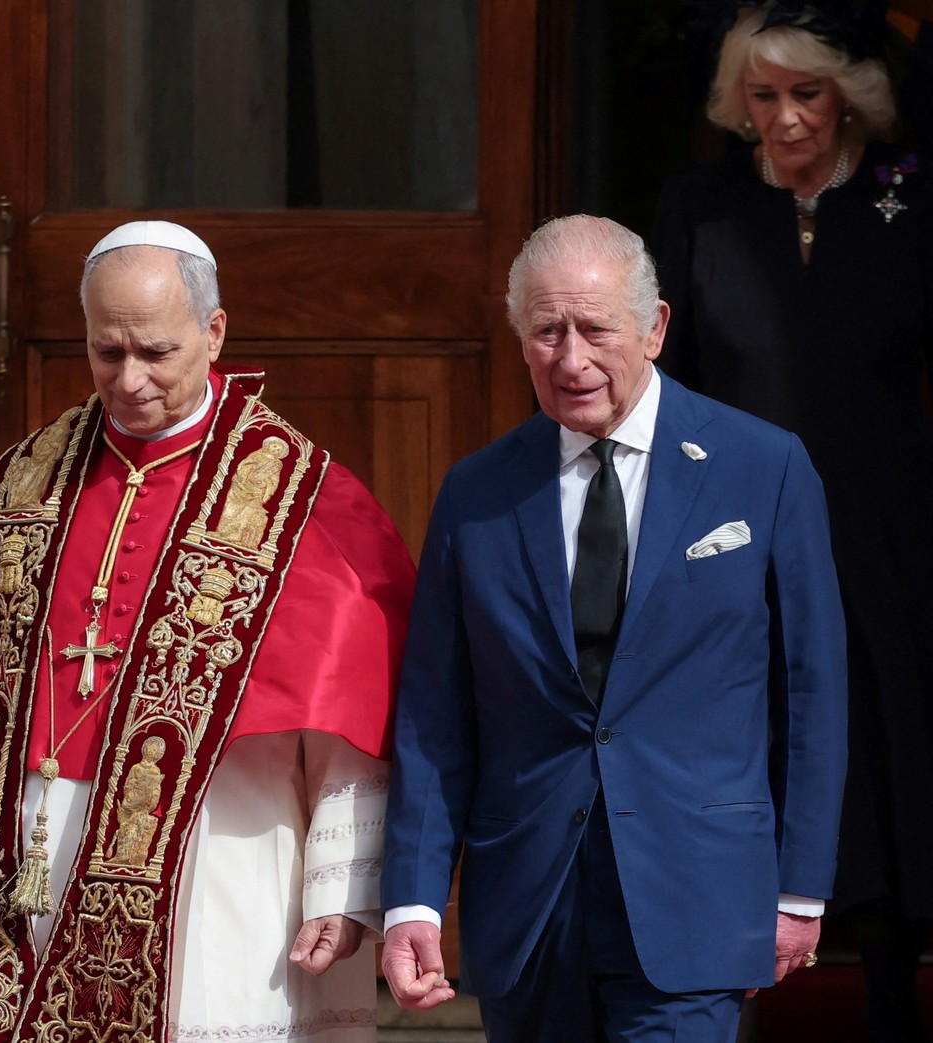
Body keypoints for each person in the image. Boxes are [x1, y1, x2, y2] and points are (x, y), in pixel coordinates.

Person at [0, 220, 416, 1043]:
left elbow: (350, 719)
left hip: (221, 851)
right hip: (21, 855)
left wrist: (342, 883)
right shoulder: (18, 487)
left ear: (214, 332)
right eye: (106, 353)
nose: (130, 380)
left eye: (156, 352)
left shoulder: (303, 502)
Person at [652, 4, 933, 1039]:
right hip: (736, 532)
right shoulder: (695, 206)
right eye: (763, 97)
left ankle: (892, 1003)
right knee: (741, 762)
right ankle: (729, 1007)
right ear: (735, 105)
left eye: (806, 93)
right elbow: (666, 387)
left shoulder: (914, 199)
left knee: (888, 769)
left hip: (893, 529)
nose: (786, 118)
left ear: (850, 95)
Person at [379, 214, 849, 1042]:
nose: (571, 359)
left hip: (696, 895)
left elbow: (811, 689)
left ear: (655, 327)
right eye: (546, 331)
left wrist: (799, 888)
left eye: (595, 329)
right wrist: (414, 895)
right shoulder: (477, 493)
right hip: (530, 903)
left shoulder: (762, 466)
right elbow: (434, 714)